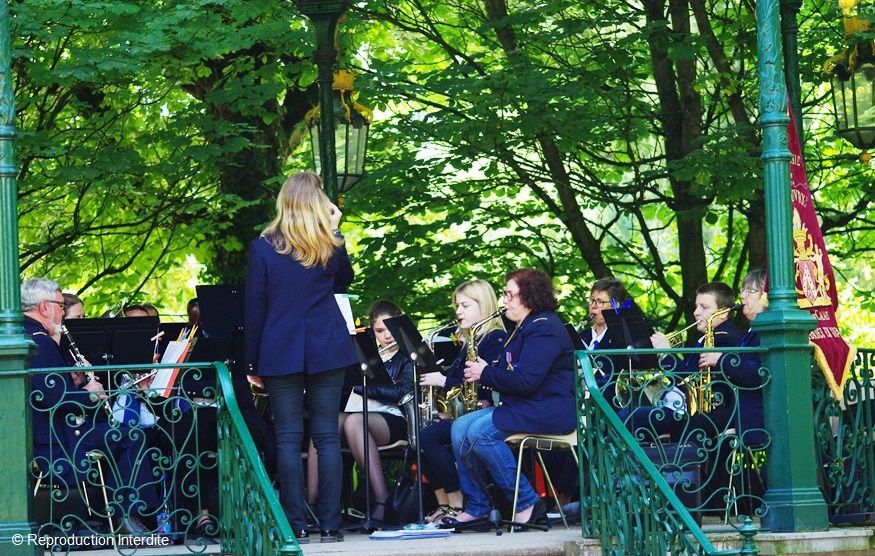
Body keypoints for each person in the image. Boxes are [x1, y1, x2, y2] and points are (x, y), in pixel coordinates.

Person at [244, 171, 356, 544]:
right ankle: (330, 524)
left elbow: (255, 307)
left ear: (284, 201)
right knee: (326, 436)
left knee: (288, 437)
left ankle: (295, 524)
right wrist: (336, 231)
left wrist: (252, 363)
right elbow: (344, 282)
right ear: (317, 202)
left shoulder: (263, 246)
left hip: (280, 349)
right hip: (328, 347)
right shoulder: (329, 243)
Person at [24, 278, 159, 535]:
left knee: (121, 434)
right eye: (60, 305)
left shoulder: (30, 335)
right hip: (58, 439)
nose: (63, 312)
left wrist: (73, 381)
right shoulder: (39, 341)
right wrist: (89, 395)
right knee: (131, 435)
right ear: (44, 307)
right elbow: (50, 399)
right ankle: (129, 515)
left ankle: (121, 512)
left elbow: (50, 389)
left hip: (58, 432)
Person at [444, 269, 576, 531]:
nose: (504, 300)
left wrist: (485, 373)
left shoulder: (545, 328)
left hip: (548, 408)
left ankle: (527, 502)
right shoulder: (524, 327)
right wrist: (486, 368)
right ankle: (478, 507)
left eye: (509, 294)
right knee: (459, 428)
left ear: (529, 296)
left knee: (481, 433)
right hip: (527, 405)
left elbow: (527, 381)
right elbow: (512, 374)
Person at [418, 279, 506, 523]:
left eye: (465, 306)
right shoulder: (470, 340)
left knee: (429, 437)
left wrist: (442, 380)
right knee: (422, 436)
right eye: (457, 306)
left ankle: (457, 503)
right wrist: (447, 411)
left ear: (483, 305)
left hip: (485, 414)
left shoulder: (494, 339)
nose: (458, 312)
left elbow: (484, 387)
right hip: (466, 414)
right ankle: (444, 503)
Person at [641, 281, 743, 441]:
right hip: (681, 408)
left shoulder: (724, 337)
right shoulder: (709, 336)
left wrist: (667, 354)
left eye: (704, 307)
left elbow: (689, 382)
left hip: (697, 414)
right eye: (696, 306)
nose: (696, 312)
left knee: (631, 417)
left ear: (722, 313)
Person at [341, 300, 414, 523]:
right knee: (323, 424)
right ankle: (319, 508)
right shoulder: (366, 353)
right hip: (363, 413)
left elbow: (402, 390)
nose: (387, 336)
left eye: (390, 329)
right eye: (380, 330)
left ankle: (382, 500)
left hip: (396, 418)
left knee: (354, 422)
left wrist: (364, 388)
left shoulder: (407, 354)